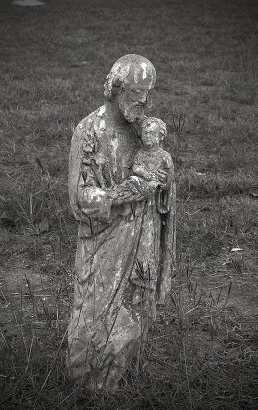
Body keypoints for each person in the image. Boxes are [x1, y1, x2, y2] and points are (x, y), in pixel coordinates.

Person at [67, 54, 176, 390]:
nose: (142, 102)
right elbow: (79, 199)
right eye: (135, 94)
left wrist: (162, 185)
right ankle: (89, 384)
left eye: (147, 94)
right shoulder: (90, 131)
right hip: (104, 244)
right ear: (114, 88)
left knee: (134, 311)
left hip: (142, 239)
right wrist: (121, 195)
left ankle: (125, 376)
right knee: (94, 316)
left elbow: (162, 175)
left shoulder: (143, 130)